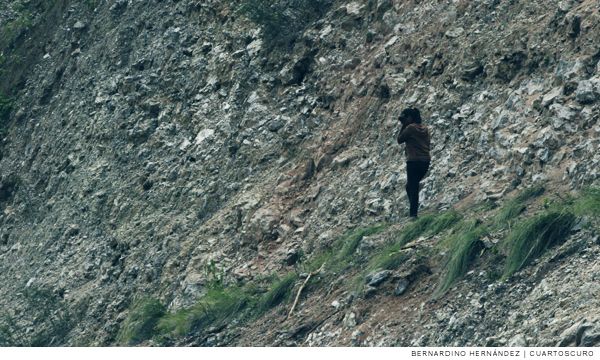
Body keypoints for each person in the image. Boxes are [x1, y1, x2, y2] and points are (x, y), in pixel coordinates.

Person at [397, 107, 431, 220]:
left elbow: (400, 139)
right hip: (425, 161)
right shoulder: (425, 128)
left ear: (409, 118)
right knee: (410, 186)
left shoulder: (410, 128)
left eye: (405, 117)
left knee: (413, 188)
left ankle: (413, 215)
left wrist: (404, 125)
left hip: (413, 161)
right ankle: (413, 210)